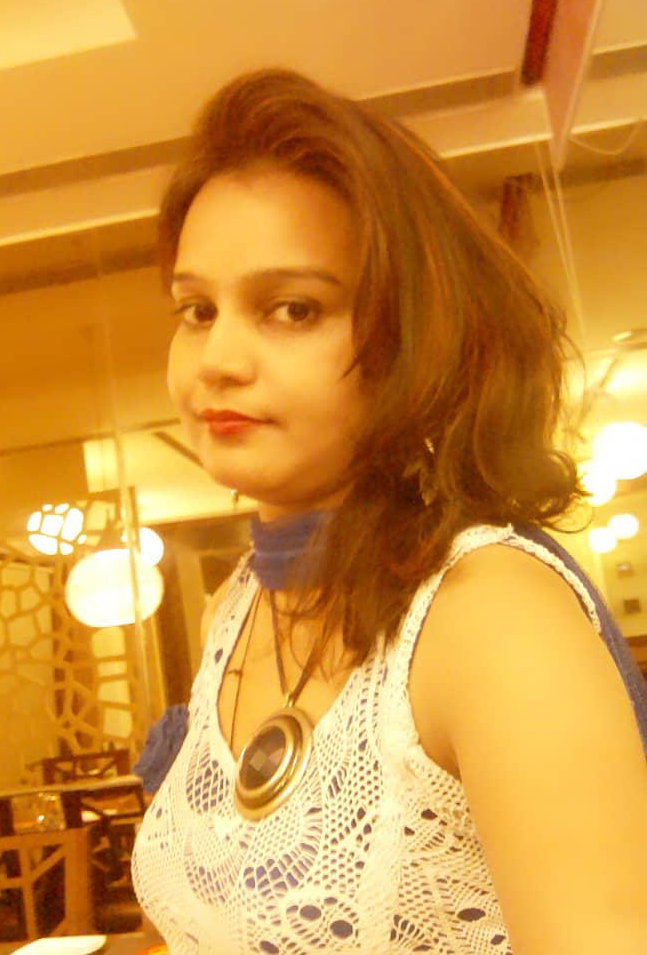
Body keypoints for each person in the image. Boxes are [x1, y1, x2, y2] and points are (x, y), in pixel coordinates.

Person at [131, 69, 647, 955]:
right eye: (197, 309)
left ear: (416, 336)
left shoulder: (487, 612)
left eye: (292, 309)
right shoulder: (235, 607)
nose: (216, 358)